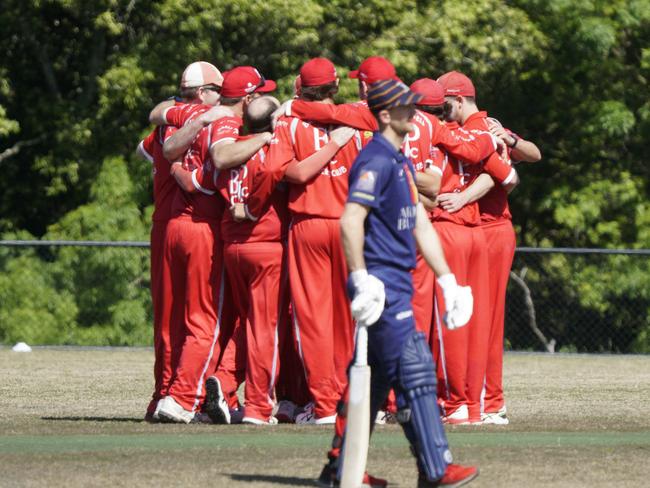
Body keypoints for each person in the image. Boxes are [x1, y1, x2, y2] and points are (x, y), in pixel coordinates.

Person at [318, 79, 478, 488]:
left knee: (374, 382)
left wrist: (448, 281)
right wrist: (360, 278)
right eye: (406, 108)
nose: (415, 113)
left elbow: (420, 221)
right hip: (382, 282)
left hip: (397, 280)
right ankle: (435, 468)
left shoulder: (399, 160)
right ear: (385, 115)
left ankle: (341, 470)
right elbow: (351, 220)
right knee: (416, 370)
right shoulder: (375, 160)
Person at [136, 61, 226, 422]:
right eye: (217, 89)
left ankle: (162, 393)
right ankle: (183, 396)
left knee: (167, 319)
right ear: (204, 93)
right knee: (201, 318)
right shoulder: (216, 121)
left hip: (165, 226)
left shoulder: (165, 122)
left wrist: (174, 110)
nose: (224, 96)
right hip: (201, 224)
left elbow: (144, 149)